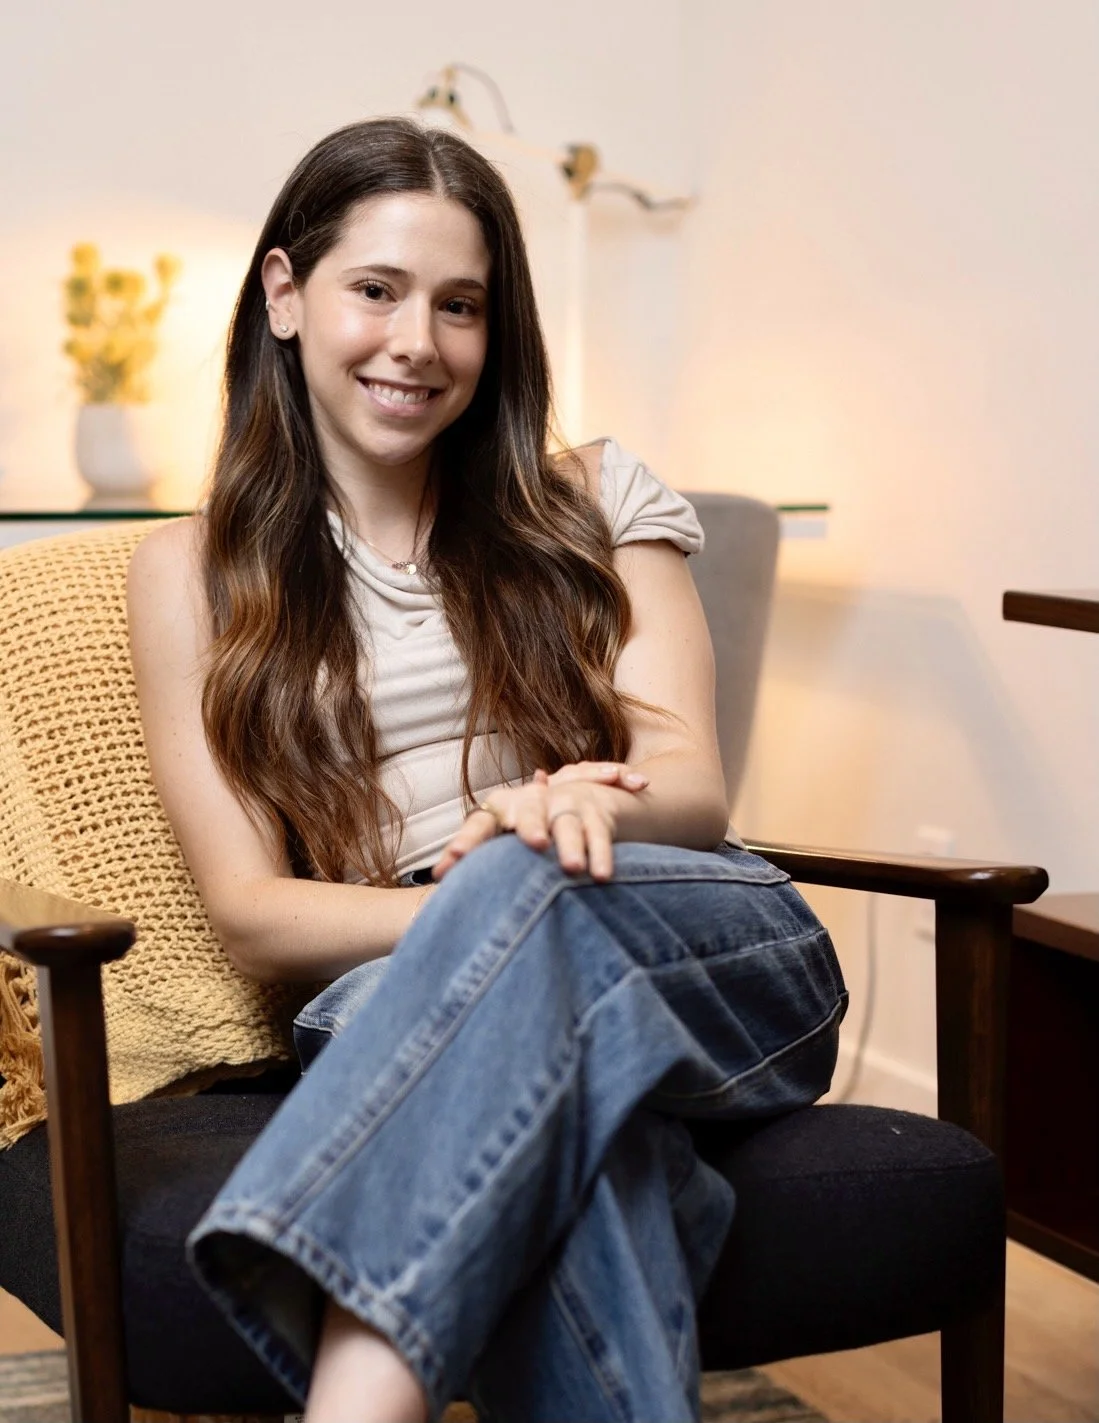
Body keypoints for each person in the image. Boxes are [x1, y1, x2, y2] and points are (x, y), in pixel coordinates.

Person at [127, 116, 847, 1423]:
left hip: (672, 921)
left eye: (460, 305)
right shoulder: (187, 573)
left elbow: (690, 784)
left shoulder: (590, 495)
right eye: (377, 290)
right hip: (390, 996)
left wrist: (568, 819)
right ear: (285, 294)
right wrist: (496, 907)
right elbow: (251, 912)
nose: (419, 340)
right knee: (591, 1142)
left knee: (546, 906)